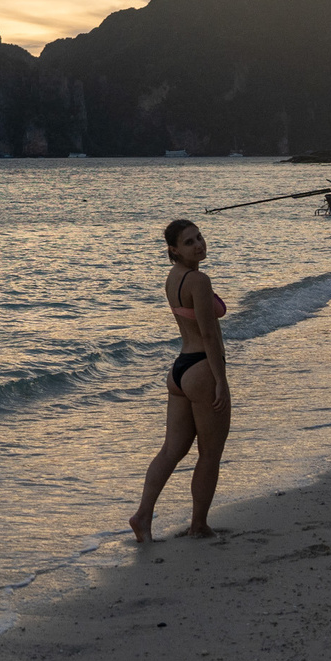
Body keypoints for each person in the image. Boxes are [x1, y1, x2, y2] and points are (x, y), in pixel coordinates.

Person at [131, 218, 228, 541]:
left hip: (179, 371)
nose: (199, 244)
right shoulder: (198, 281)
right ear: (173, 250)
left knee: (172, 450)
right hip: (201, 369)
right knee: (209, 454)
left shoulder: (173, 278)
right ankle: (198, 525)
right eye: (189, 242)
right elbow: (210, 336)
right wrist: (221, 380)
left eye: (199, 237)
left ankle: (143, 516)